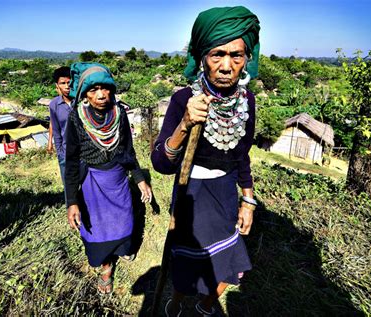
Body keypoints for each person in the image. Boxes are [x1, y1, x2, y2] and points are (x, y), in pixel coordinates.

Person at [151, 6, 260, 316]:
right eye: (217, 55)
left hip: (225, 192)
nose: (227, 66)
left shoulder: (246, 101)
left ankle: (207, 304)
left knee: (229, 262)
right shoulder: (183, 98)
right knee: (187, 259)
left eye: (236, 56)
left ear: (246, 60)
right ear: (201, 59)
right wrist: (184, 124)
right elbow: (162, 164)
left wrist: (247, 201)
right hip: (191, 193)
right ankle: (178, 300)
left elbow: (242, 154)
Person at [65, 62, 152, 294]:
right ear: (84, 93)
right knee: (98, 227)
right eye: (94, 90)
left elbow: (127, 150)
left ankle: (123, 248)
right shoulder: (76, 118)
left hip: (118, 179)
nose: (101, 95)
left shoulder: (119, 113)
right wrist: (72, 200)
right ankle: (105, 267)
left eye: (105, 88)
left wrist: (140, 178)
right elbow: (71, 161)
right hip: (91, 181)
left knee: (124, 218)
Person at [49, 66, 73, 199]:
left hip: (85, 153)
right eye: (63, 83)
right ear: (57, 85)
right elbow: (56, 131)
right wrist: (60, 153)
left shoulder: (82, 102)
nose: (67, 86)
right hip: (65, 153)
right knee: (70, 190)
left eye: (69, 82)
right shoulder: (54, 105)